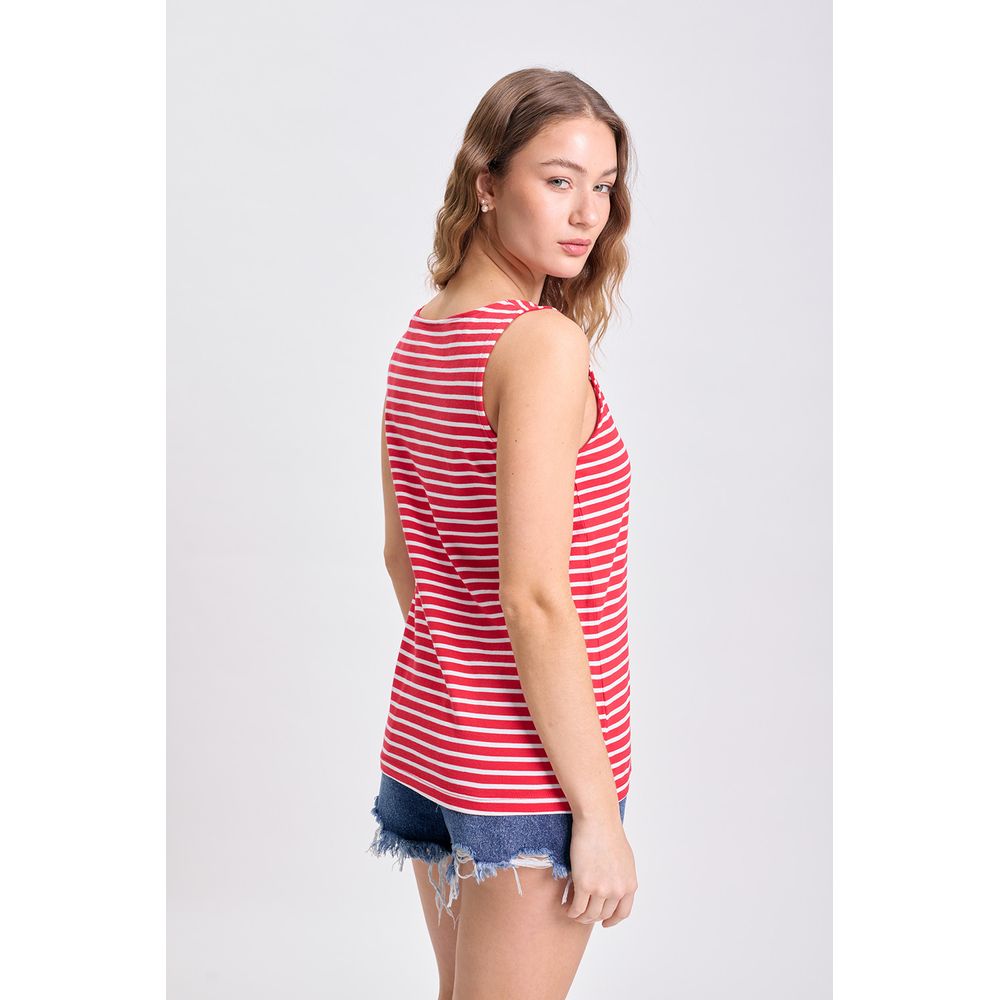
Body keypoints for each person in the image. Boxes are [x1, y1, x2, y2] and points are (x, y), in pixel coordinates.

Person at [368, 67, 638, 1000]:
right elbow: (533, 595)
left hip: (433, 740)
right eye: (558, 180)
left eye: (603, 186)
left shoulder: (426, 331)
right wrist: (596, 816)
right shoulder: (540, 345)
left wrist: (465, 682)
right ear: (487, 182)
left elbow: (405, 558)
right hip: (528, 774)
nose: (588, 213)